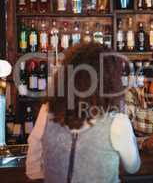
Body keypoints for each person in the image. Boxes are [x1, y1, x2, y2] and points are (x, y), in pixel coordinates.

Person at [26, 43, 141, 183]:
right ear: (110, 81)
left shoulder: (47, 110)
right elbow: (132, 167)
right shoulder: (117, 121)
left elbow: (33, 167)